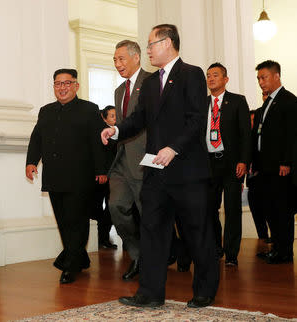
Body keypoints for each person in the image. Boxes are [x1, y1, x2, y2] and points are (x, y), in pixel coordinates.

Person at [101, 24, 219, 308]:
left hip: (187, 170)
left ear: (168, 43)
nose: (149, 50)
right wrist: (116, 130)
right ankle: (150, 293)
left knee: (196, 231)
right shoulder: (151, 83)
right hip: (155, 171)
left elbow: (195, 119)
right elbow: (138, 119)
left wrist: (173, 148)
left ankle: (204, 291)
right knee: (152, 231)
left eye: (152, 44)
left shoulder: (191, 74)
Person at [26, 68, 107, 284]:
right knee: (63, 221)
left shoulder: (90, 110)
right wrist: (31, 162)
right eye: (58, 84)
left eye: (67, 83)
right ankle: (79, 258)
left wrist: (101, 170)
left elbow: (97, 142)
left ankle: (70, 264)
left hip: (81, 177)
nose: (62, 88)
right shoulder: (46, 111)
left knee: (76, 221)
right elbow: (36, 139)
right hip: (54, 176)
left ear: (76, 86)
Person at [110, 40, 151, 281]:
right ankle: (137, 255)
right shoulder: (119, 91)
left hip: (145, 159)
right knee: (116, 206)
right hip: (121, 160)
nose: (117, 64)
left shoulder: (152, 82)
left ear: (136, 57)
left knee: (149, 215)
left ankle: (154, 259)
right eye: (115, 60)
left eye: (121, 58)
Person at [205, 63, 251, 266]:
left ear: (225, 79)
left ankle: (231, 254)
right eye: (208, 76)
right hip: (208, 164)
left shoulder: (237, 101)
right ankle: (216, 247)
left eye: (215, 75)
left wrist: (244, 161)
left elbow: (245, 135)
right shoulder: (201, 103)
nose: (211, 79)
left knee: (233, 210)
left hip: (232, 163)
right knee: (208, 208)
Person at [252, 60, 297, 264]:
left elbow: (292, 136)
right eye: (259, 78)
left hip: (281, 167)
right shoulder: (267, 102)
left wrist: (286, 162)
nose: (261, 82)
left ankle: (285, 252)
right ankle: (276, 248)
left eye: (264, 77)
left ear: (276, 76)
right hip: (266, 167)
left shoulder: (289, 101)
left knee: (283, 211)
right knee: (271, 208)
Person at [247, 94, 271, 242]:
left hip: (266, 181)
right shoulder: (246, 141)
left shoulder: (264, 139)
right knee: (257, 215)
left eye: (254, 121)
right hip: (252, 185)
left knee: (271, 213)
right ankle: (263, 241)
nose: (252, 123)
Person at [92, 105, 117, 249]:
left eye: (116, 115)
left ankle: (104, 238)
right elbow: (100, 154)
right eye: (112, 115)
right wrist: (101, 172)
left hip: (114, 176)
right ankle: (102, 239)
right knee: (98, 209)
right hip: (102, 177)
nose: (115, 118)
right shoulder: (100, 131)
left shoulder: (119, 131)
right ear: (104, 117)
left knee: (110, 208)